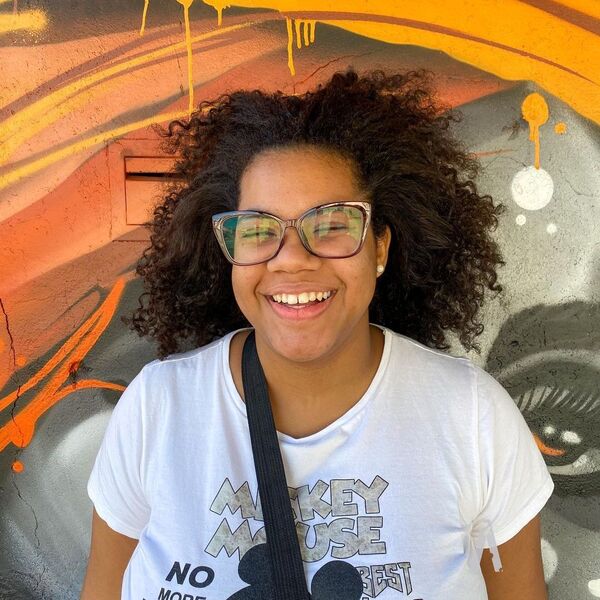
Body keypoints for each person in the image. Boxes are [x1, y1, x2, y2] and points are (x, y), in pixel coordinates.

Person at [80, 68, 554, 599]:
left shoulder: (471, 417)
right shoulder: (158, 409)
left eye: (331, 224)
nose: (292, 262)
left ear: (380, 248)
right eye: (259, 230)